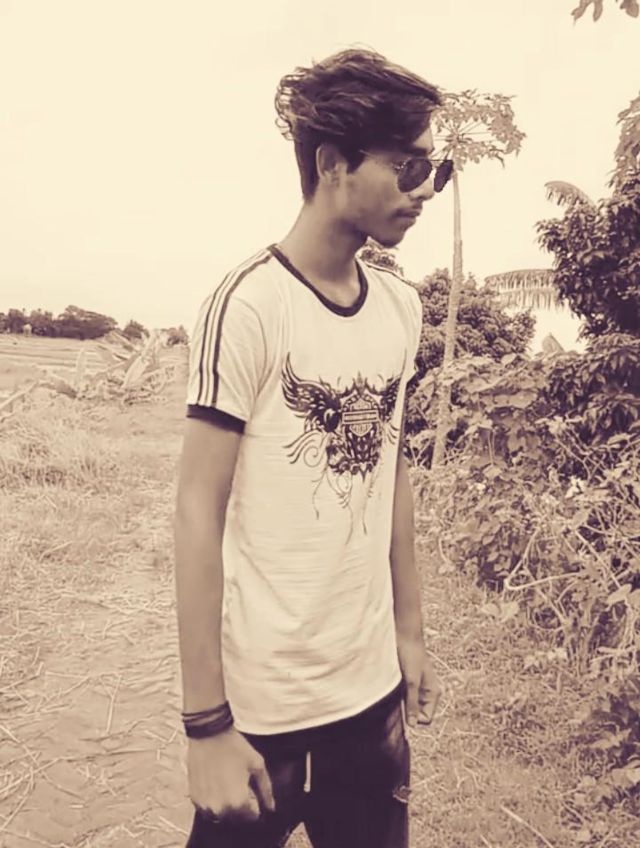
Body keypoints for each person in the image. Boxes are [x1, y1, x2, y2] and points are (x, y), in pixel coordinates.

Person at [174, 46, 453, 848]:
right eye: (408, 167)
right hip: (263, 712)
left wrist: (409, 633)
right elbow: (197, 510)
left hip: (370, 700)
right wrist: (206, 723)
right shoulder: (249, 305)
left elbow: (393, 474)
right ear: (333, 164)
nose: (424, 190)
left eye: (435, 170)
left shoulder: (401, 309)